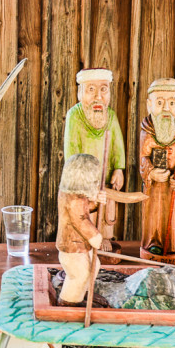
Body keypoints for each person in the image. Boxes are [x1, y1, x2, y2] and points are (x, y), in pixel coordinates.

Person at [63, 68, 126, 247]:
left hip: (105, 180)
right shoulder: (75, 116)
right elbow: (72, 151)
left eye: (103, 89)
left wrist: (118, 169)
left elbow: (117, 145)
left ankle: (104, 238)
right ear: (79, 92)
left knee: (107, 212)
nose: (98, 96)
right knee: (86, 209)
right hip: (84, 182)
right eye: (91, 89)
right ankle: (85, 238)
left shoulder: (111, 116)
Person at [139, 77, 175, 263]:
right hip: (155, 187)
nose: (166, 108)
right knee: (154, 213)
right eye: (160, 102)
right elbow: (143, 158)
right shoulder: (146, 132)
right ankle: (154, 242)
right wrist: (151, 172)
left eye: (172, 103)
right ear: (149, 105)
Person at [55, 154, 106, 305]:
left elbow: (86, 208)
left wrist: (95, 201)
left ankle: (83, 294)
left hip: (80, 244)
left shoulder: (76, 195)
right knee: (80, 275)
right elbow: (81, 220)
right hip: (72, 246)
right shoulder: (74, 199)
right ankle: (68, 302)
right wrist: (95, 236)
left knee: (93, 266)